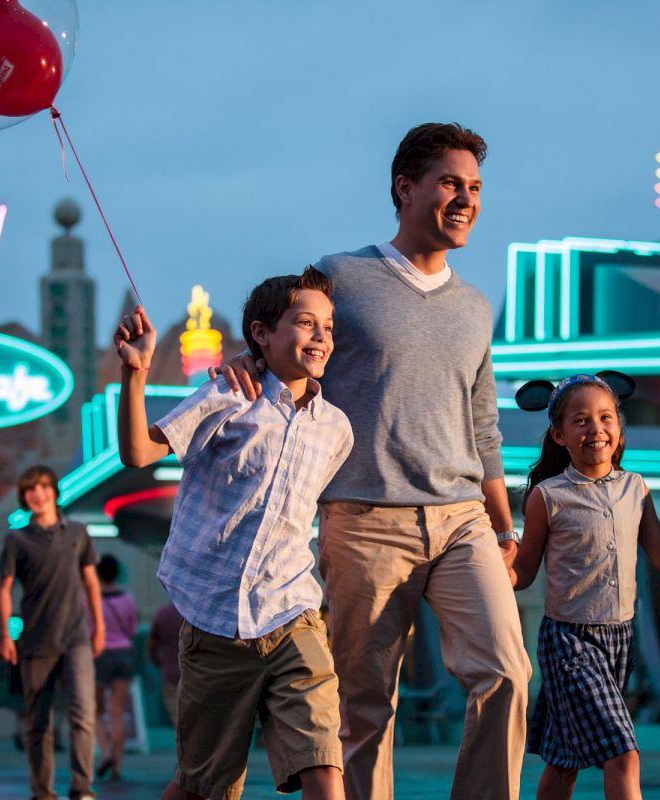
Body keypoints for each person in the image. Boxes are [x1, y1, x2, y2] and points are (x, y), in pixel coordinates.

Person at [218, 122, 530, 800]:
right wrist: (249, 356)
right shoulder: (343, 276)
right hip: (363, 519)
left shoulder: (476, 307)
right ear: (405, 187)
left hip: (461, 520)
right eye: (451, 182)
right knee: (362, 706)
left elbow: (484, 427)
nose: (466, 198)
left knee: (506, 672)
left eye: (475, 187)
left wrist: (505, 529)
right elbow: (285, 326)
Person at [116, 266, 353, 800]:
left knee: (324, 767)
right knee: (203, 787)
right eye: (305, 323)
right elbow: (138, 452)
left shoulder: (337, 429)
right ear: (261, 334)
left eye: (329, 327)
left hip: (293, 615)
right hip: (214, 621)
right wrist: (136, 373)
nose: (321, 336)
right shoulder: (228, 395)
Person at [510, 375, 660, 800]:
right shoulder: (547, 496)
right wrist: (486, 563)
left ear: (619, 428)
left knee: (565, 760)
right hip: (569, 641)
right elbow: (522, 573)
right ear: (559, 434)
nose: (594, 429)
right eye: (580, 420)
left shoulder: (635, 488)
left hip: (620, 639)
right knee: (623, 752)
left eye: (605, 417)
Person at [0, 466, 105, 800]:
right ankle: (42, 790)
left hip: (76, 639)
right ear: (24, 498)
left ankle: (81, 786)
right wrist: (5, 634)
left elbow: (90, 581)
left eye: (43, 487)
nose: (38, 494)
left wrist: (99, 627)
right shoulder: (16, 539)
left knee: (83, 713)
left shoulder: (77, 532)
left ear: (54, 492)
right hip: (35, 641)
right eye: (30, 490)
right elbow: (4, 590)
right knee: (38, 722)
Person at [92, 554, 136, 782]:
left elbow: (88, 628)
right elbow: (131, 628)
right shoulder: (127, 598)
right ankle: (117, 767)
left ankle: (106, 753)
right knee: (116, 712)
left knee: (96, 711)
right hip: (123, 655)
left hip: (99, 655)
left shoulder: (91, 599)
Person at [147, 600, 184, 729]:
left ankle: (184, 747)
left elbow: (152, 645)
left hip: (169, 672)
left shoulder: (163, 614)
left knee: (177, 717)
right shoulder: (194, 613)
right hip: (195, 671)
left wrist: (156, 661)